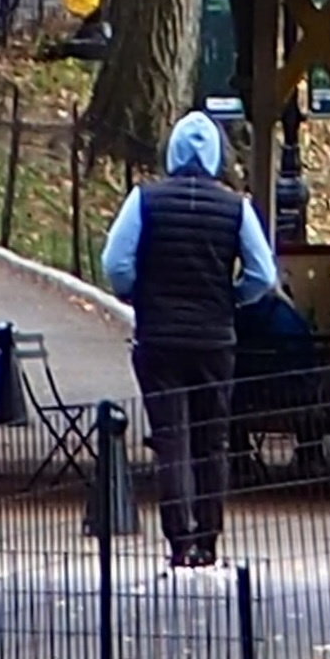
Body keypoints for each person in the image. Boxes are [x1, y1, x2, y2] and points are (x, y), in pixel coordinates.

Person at [100, 107, 278, 569]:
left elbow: (115, 263)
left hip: (159, 338)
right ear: (217, 155)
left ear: (173, 151)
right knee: (212, 441)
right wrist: (232, 298)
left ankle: (180, 540)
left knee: (171, 438)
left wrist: (137, 294)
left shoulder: (144, 200)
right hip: (215, 340)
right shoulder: (235, 207)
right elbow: (263, 274)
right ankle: (209, 539)